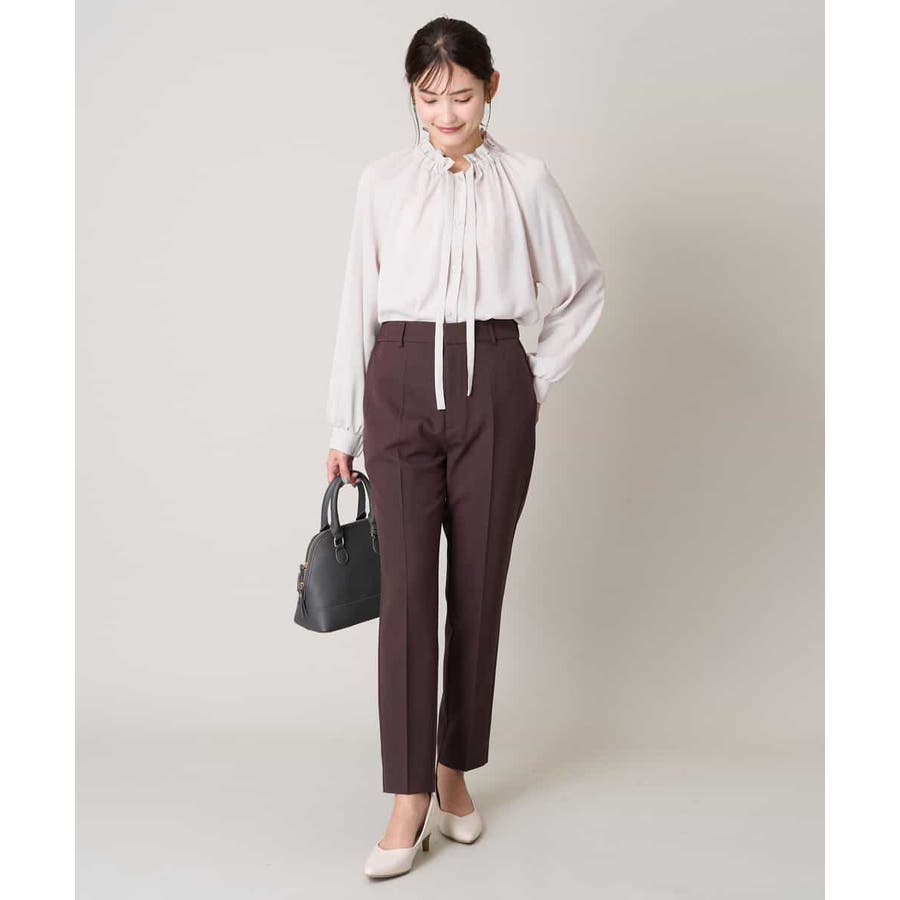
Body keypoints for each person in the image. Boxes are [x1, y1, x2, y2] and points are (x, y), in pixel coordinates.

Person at [323, 17, 607, 879]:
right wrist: (343, 427)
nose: (446, 113)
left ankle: (454, 770)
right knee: (407, 593)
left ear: (492, 88)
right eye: (429, 97)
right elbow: (358, 298)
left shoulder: (527, 180)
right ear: (410, 95)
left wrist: (532, 380)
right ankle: (408, 795)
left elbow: (582, 287)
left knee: (478, 587)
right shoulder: (382, 182)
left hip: (494, 382)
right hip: (399, 379)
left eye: (463, 94)